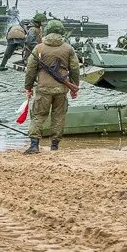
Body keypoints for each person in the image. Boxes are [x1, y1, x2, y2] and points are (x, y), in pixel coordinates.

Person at [24, 19, 80, 153]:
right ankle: (54, 146)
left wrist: (28, 87)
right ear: (62, 32)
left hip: (43, 89)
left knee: (38, 116)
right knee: (58, 117)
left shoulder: (39, 48)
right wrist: (74, 87)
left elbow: (30, 69)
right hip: (61, 90)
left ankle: (34, 145)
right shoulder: (68, 48)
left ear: (47, 31)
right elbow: (75, 69)